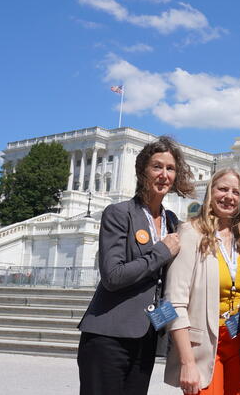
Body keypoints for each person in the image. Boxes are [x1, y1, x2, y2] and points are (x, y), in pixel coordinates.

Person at [77, 137, 195, 395]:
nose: (164, 175)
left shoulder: (172, 220)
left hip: (146, 336)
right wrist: (160, 252)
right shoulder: (119, 213)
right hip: (109, 335)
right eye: (157, 167)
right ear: (143, 170)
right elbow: (113, 275)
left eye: (170, 168)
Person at [165, 169, 240, 395]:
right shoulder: (191, 233)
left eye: (236, 192)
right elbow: (172, 303)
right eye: (223, 189)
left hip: (237, 341)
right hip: (203, 345)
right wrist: (187, 363)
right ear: (210, 192)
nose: (229, 196)